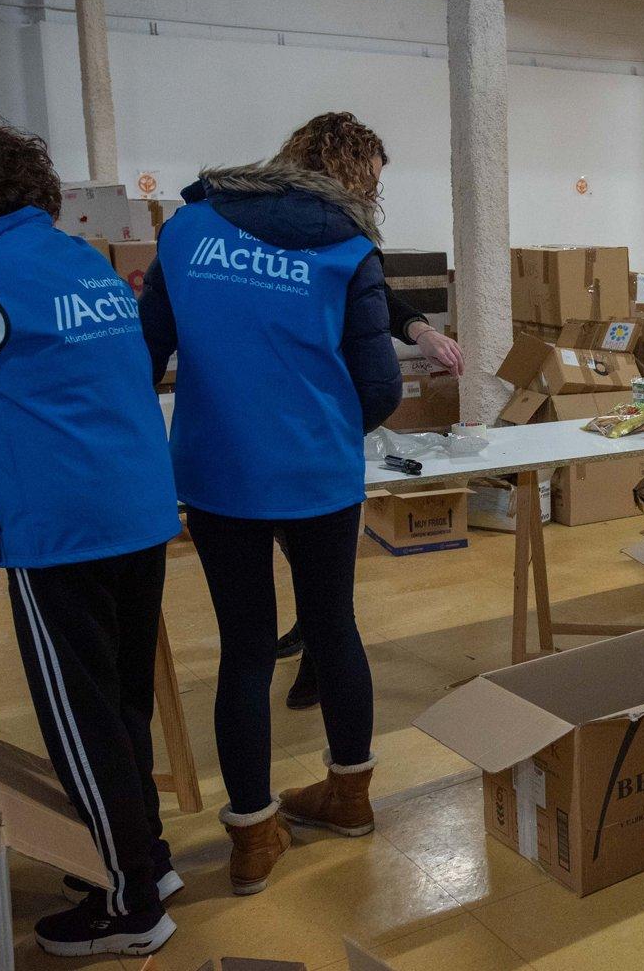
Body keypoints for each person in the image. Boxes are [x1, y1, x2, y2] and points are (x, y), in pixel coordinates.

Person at [0, 117, 181, 955]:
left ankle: (129, 904)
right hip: (135, 505)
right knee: (120, 703)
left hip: (64, 524)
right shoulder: (78, 260)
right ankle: (146, 859)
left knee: (81, 719)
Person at [140, 112, 401, 895]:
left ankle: (253, 838)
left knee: (246, 648)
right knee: (334, 628)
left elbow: (145, 355)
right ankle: (349, 800)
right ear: (353, 176)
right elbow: (381, 388)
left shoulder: (187, 231)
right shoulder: (350, 246)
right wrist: (319, 434)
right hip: (318, 474)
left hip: (218, 472)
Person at [270, 117, 464, 711]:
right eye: (372, 180)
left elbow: (375, 293)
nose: (375, 193)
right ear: (347, 170)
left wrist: (420, 328)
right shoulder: (329, 234)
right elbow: (378, 382)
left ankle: (313, 638)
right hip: (311, 412)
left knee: (309, 549)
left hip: (270, 419)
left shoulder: (279, 230)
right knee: (315, 549)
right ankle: (319, 643)